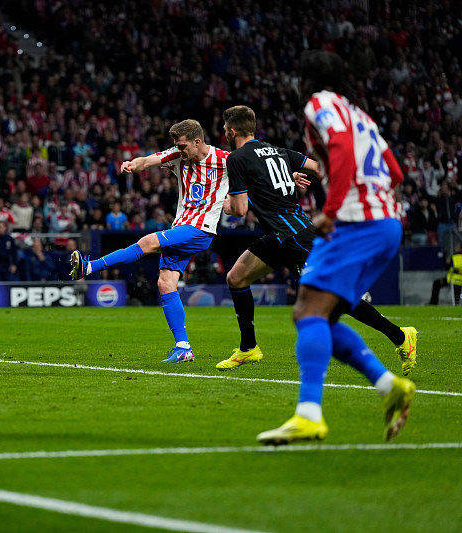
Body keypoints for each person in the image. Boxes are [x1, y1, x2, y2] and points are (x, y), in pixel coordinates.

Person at [257, 51, 416, 445]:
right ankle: (389, 386)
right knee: (321, 317)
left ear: (306, 79)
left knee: (306, 311)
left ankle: (309, 415)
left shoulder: (320, 103)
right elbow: (396, 172)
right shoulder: (362, 115)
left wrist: (331, 210)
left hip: (357, 223)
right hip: (386, 223)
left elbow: (342, 146)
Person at [218, 105, 417, 373]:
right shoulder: (277, 151)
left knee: (335, 298)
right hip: (281, 234)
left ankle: (401, 336)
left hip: (294, 237)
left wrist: (223, 204)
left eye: (225, 129)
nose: (225, 133)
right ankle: (248, 348)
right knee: (236, 278)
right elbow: (317, 167)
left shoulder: (236, 158)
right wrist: (288, 178)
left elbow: (240, 209)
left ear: (232, 131)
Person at [70, 119, 229, 363]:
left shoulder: (224, 160)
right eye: (177, 145)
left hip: (201, 228)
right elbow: (146, 161)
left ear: (197, 141)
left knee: (147, 242)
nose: (179, 150)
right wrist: (132, 164)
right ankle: (183, 347)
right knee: (165, 283)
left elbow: (253, 175)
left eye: (183, 146)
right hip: (182, 226)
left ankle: (89, 267)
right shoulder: (178, 155)